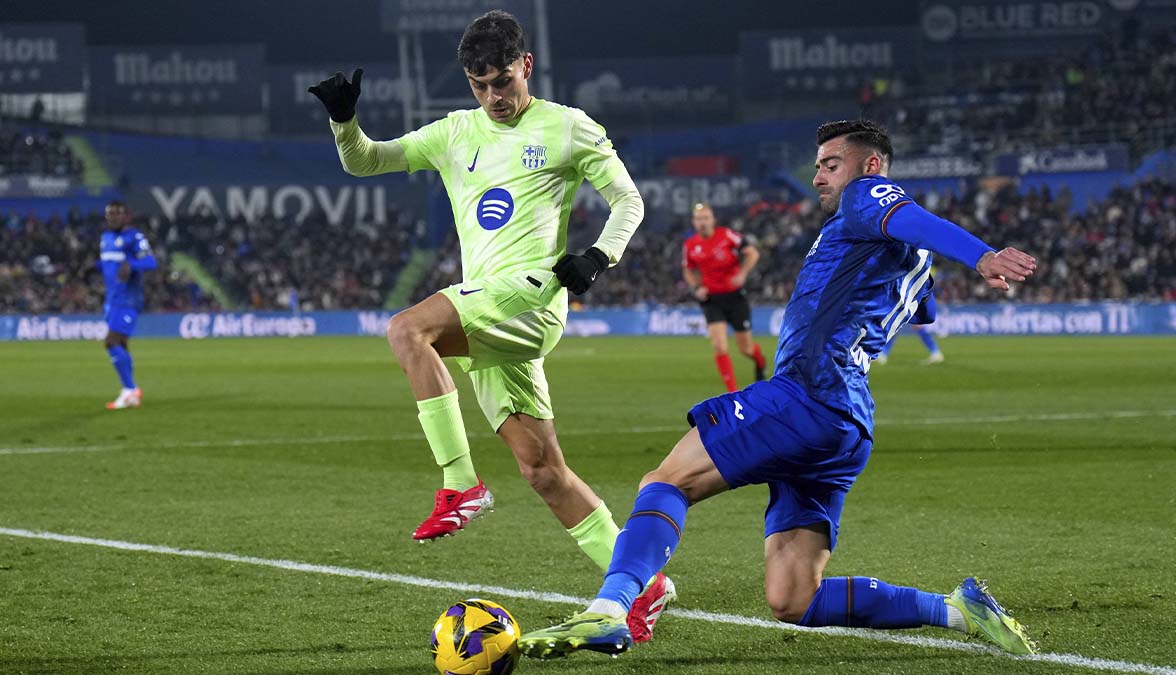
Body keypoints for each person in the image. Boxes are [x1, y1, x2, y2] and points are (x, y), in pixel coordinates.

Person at [517, 120, 1040, 659]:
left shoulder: (868, 197)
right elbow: (920, 300)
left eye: (830, 164)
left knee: (667, 481)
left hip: (807, 394)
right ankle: (957, 610)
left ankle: (609, 610)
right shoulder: (907, 256)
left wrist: (981, 255)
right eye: (817, 165)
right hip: (848, 425)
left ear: (871, 166)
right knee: (794, 598)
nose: (818, 176)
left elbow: (906, 215)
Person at [308, 10, 672, 641]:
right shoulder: (455, 133)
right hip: (490, 310)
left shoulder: (567, 126)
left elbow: (629, 200)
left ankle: (460, 486)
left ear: (525, 65)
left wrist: (597, 255)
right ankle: (646, 584)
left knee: (406, 330)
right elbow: (366, 163)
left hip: (532, 298)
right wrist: (344, 122)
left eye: (503, 81)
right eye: (481, 86)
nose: (494, 97)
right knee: (542, 471)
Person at [682, 203, 768, 391]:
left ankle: (760, 362)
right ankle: (733, 393)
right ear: (694, 223)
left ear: (713, 220)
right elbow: (688, 269)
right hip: (712, 300)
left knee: (746, 349)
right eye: (698, 219)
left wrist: (743, 273)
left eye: (705, 218)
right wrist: (696, 287)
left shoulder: (727, 235)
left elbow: (752, 253)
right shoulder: (691, 245)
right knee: (720, 346)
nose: (702, 222)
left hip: (735, 297)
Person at [98, 201, 157, 410]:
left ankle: (129, 388)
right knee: (121, 344)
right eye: (109, 214)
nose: (112, 217)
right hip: (111, 300)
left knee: (110, 341)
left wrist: (133, 265)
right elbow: (108, 266)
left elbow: (151, 262)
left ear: (126, 216)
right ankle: (132, 392)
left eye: (116, 213)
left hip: (128, 300)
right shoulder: (105, 238)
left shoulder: (134, 237)